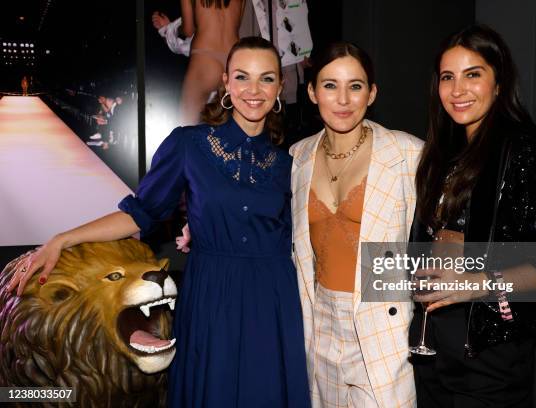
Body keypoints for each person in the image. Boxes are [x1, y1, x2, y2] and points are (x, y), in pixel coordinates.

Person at [8, 36, 310, 408]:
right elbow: (139, 213)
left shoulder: (291, 163)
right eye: (242, 77)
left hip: (274, 300)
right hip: (212, 295)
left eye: (266, 79)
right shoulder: (188, 145)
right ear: (225, 83)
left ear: (281, 87)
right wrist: (63, 239)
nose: (254, 90)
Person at [409, 24, 536, 407]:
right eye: (448, 77)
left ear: (498, 82)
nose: (457, 90)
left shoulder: (526, 149)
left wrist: (475, 282)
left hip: (487, 354)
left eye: (473, 74)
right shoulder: (443, 153)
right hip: (432, 348)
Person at [289, 41, 422, 407]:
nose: (343, 98)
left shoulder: (408, 153)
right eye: (330, 85)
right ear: (313, 92)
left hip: (382, 325)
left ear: (372, 92)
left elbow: (441, 233)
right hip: (320, 326)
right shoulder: (297, 156)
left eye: (356, 85)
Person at [179, 0, 245, 125]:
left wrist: (173, 28)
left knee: (186, 128)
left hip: (204, 57)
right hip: (232, 58)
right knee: (232, 130)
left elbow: (188, 30)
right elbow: (237, 24)